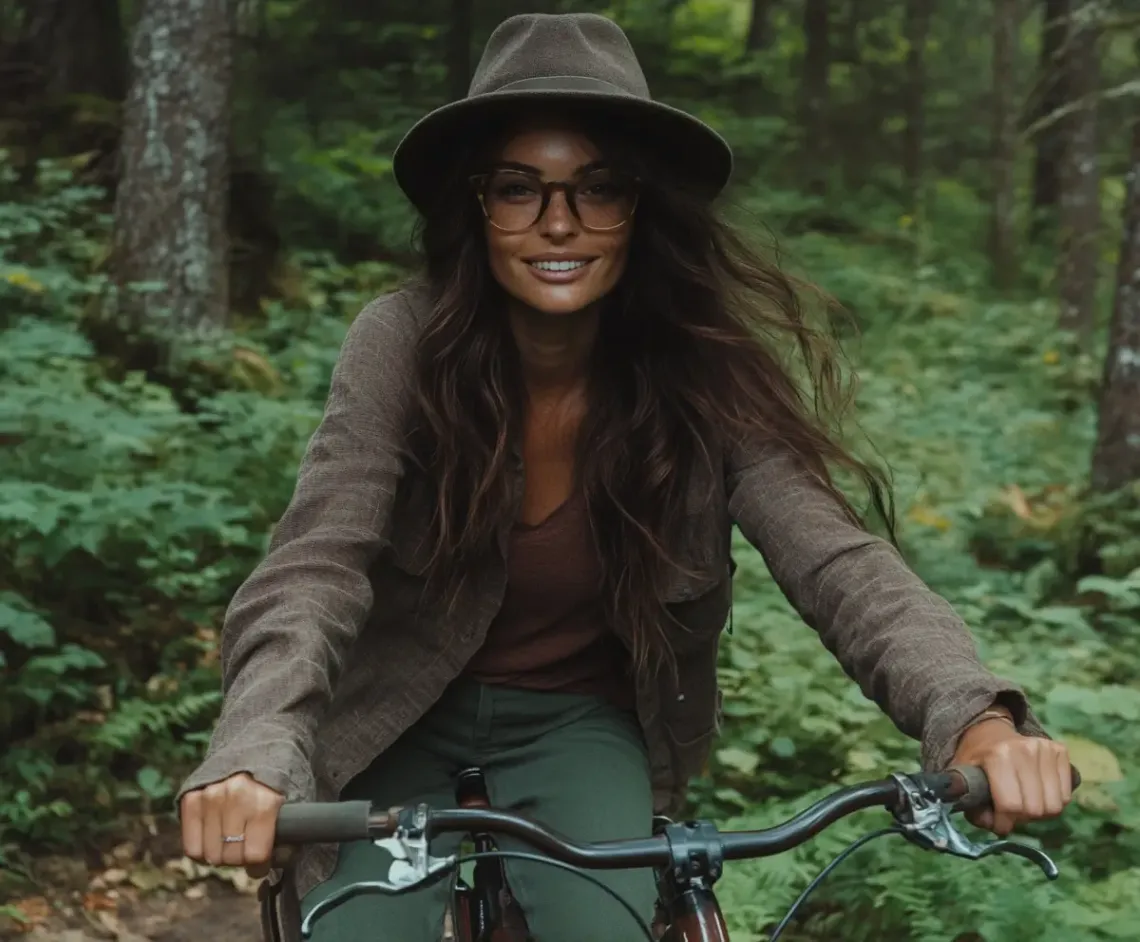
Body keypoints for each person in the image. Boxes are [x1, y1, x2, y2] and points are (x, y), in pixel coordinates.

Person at [177, 12, 1073, 942]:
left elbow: (840, 561)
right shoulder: (402, 342)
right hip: (399, 709)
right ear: (473, 206)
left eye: (597, 189)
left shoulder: (704, 371)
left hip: (576, 721)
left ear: (641, 208)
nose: (558, 221)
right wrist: (253, 751)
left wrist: (974, 717)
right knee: (357, 931)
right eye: (518, 189)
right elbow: (316, 562)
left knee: (606, 928)